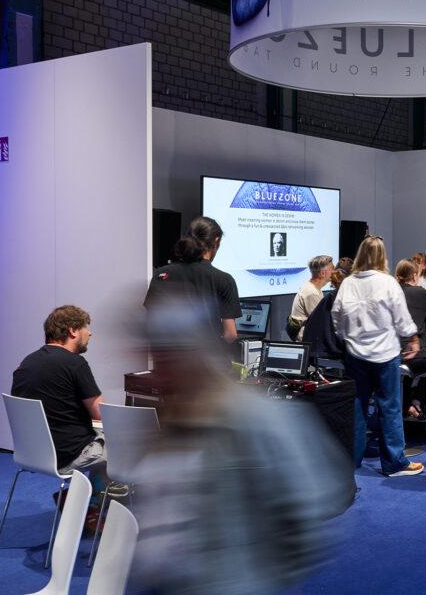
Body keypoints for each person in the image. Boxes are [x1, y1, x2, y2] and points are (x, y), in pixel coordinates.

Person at [131, 300, 353, 594]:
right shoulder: (172, 427)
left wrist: (254, 578)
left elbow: (307, 518)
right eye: (158, 355)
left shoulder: (261, 421)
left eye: (171, 355)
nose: (164, 369)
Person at [332, 236, 423, 477]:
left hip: (354, 355)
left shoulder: (348, 283)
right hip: (385, 355)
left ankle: (350, 463)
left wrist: (345, 338)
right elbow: (402, 318)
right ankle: (394, 463)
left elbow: (337, 316)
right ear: (382, 256)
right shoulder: (388, 283)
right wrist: (413, 338)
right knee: (389, 408)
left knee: (358, 407)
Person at [11, 305, 105, 475]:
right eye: (85, 327)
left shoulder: (26, 363)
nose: (89, 333)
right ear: (73, 331)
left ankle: (86, 490)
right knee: (129, 441)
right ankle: (99, 491)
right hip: (70, 456)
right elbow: (101, 414)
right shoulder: (75, 363)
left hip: (34, 455)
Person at [144, 216, 241, 347]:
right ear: (216, 241)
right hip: (206, 357)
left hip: (168, 357)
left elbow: (151, 322)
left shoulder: (161, 274)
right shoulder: (224, 280)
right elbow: (230, 334)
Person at [395, 258, 426, 419]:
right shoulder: (419, 292)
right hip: (415, 352)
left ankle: (407, 403)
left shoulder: (391, 292)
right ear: (415, 276)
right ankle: (418, 401)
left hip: (392, 353)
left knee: (407, 371)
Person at [288, 255, 334, 340]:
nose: (334, 272)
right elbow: (321, 322)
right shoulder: (312, 293)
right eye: (332, 269)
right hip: (307, 341)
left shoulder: (313, 288)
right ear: (323, 273)